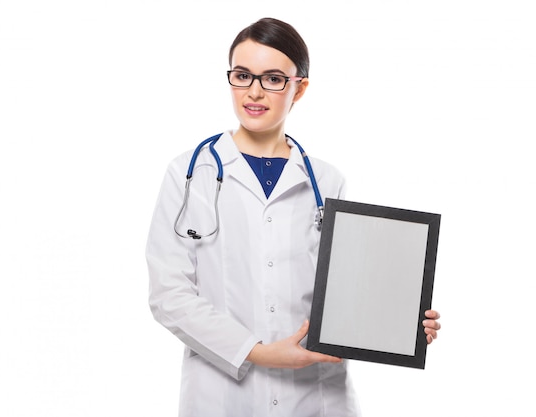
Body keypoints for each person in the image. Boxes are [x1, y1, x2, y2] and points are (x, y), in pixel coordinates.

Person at [146, 17, 441, 417]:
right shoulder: (190, 174)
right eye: (242, 75)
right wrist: (259, 353)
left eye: (273, 79)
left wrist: (402, 321)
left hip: (315, 396)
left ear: (299, 87)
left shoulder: (325, 180)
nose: (254, 91)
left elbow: (349, 291)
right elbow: (169, 296)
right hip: (222, 395)